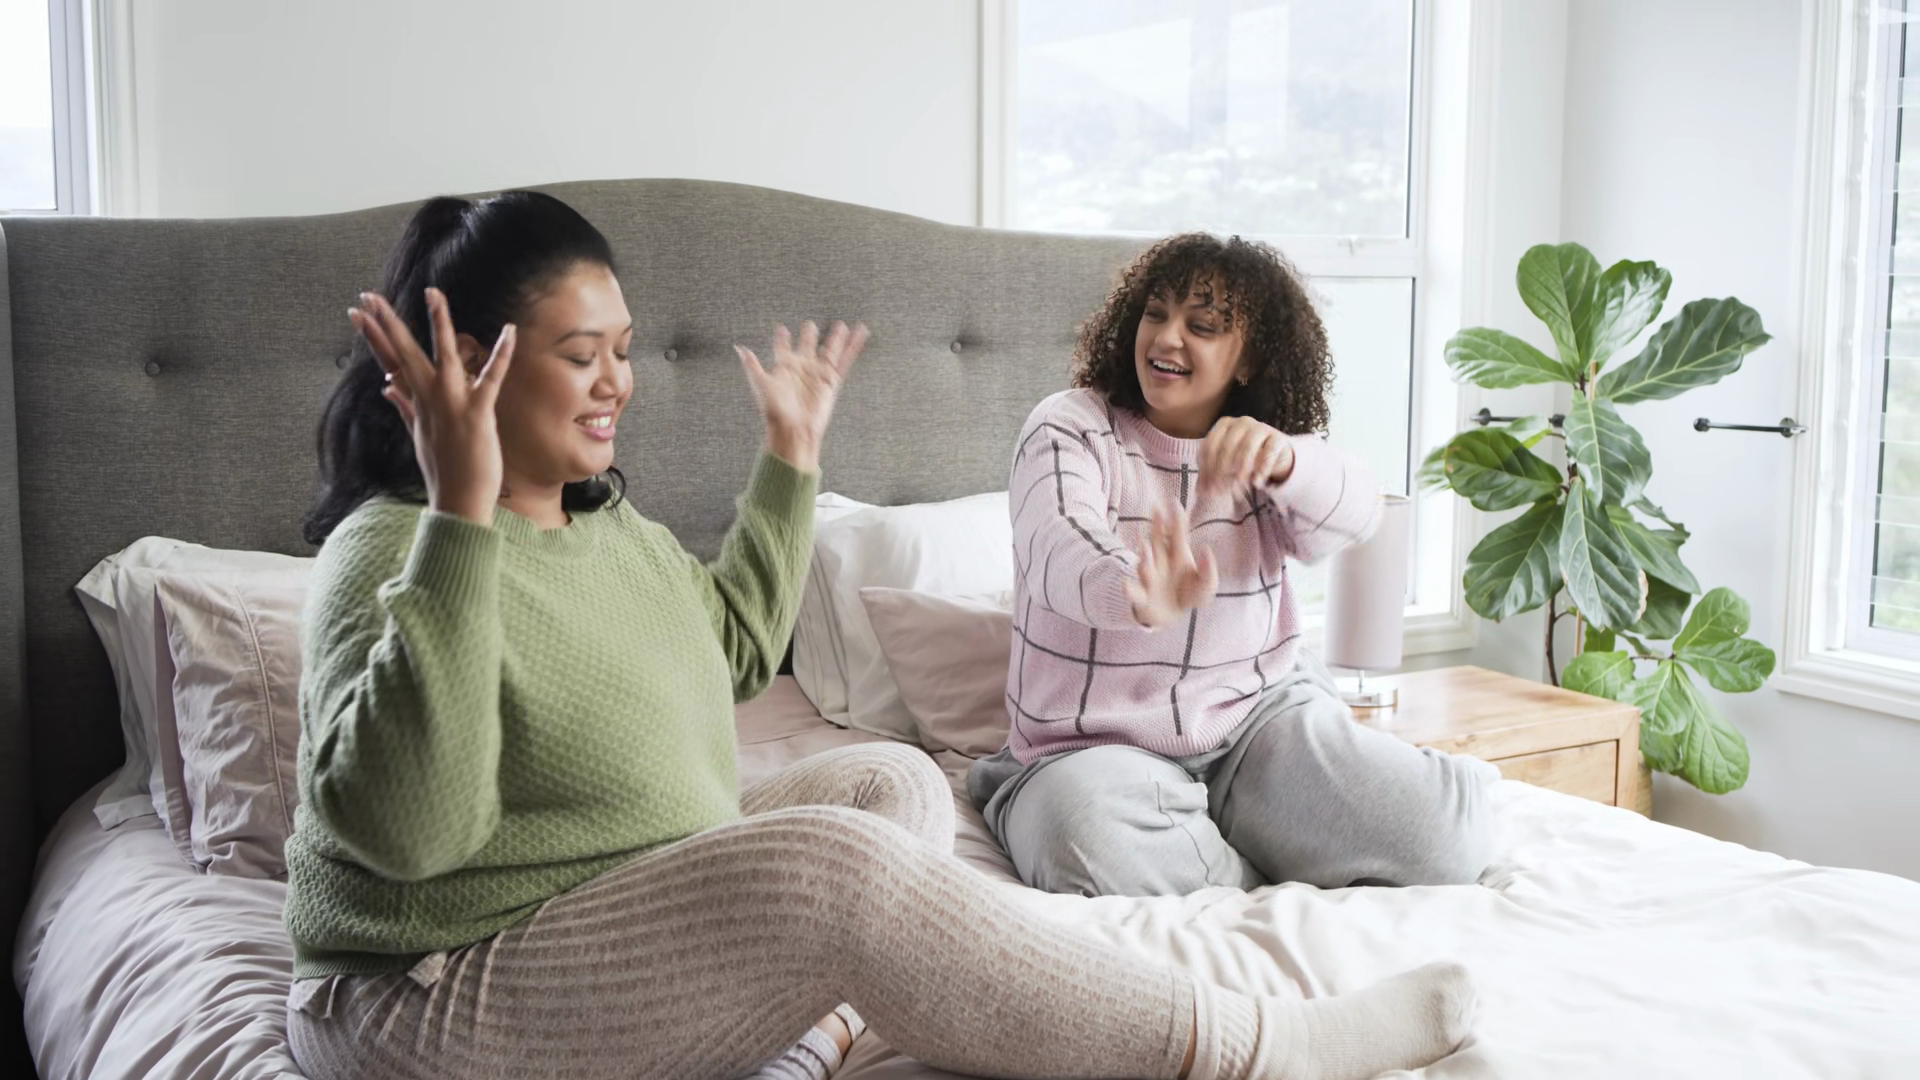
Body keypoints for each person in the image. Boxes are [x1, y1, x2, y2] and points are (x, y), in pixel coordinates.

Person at [284, 191, 1475, 1080]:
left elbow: (731, 653)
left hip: (611, 898)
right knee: (838, 871)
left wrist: (790, 460)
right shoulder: (389, 553)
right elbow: (411, 835)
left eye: (625, 353)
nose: (616, 385)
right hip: (435, 991)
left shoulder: (600, 525)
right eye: (581, 356)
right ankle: (1253, 1046)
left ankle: (802, 1042)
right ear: (470, 371)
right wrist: (458, 520)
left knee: (889, 783)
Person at [971, 233, 1500, 900]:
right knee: (1081, 837)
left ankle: (1216, 848)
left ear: (1249, 357)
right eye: (1155, 313)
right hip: (1092, 747)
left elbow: (1359, 512)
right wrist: (1134, 591)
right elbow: (1056, 543)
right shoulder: (1069, 425)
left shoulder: (1261, 449)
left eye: (1202, 326)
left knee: (1447, 837)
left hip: (1255, 723)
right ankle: (1254, 871)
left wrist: (1288, 461)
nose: (1166, 338)